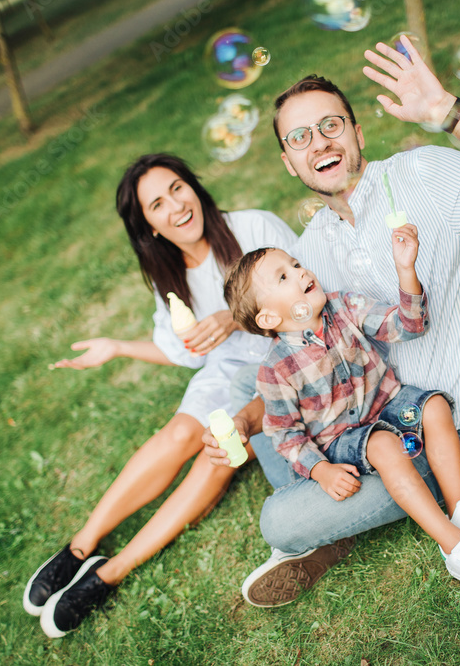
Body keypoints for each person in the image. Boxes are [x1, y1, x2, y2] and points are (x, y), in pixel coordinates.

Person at [204, 35, 460, 607]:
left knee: (279, 520)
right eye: (300, 138)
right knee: (260, 412)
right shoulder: (312, 252)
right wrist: (247, 420)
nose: (319, 143)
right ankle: (340, 525)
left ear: (357, 132)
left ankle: (333, 535)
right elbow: (295, 370)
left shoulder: (424, 176)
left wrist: (450, 114)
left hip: (458, 429)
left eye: (331, 125)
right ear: (288, 161)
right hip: (373, 428)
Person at [23, 154, 297, 637]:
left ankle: (109, 572)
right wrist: (116, 348)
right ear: (148, 225)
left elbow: (307, 290)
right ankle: (79, 547)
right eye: (157, 203)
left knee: (217, 458)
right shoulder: (170, 274)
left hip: (285, 366)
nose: (176, 205)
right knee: (177, 436)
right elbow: (186, 350)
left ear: (194, 186)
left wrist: (234, 316)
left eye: (177, 188)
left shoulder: (253, 227)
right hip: (225, 371)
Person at [224, 237, 460, 597]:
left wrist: (405, 270)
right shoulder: (275, 370)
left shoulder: (344, 305)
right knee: (383, 445)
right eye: (284, 277)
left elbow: (407, 325)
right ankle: (457, 549)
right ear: (270, 318)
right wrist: (322, 470)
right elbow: (286, 435)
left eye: (295, 263)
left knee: (434, 407)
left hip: (388, 405)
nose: (300, 271)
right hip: (341, 441)